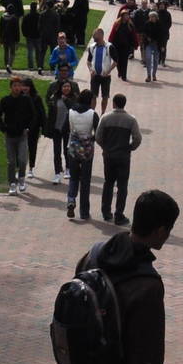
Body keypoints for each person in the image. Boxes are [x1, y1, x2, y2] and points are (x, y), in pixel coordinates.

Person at [77, 189, 179, 364]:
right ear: (159, 231)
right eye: (168, 230)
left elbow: (82, 323)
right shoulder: (148, 286)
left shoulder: (94, 256)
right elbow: (148, 361)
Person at [98, 93, 143, 224]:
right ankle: (119, 215)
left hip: (109, 155)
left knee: (108, 183)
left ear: (113, 103)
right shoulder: (131, 119)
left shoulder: (105, 118)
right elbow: (138, 138)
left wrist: (105, 147)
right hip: (123, 156)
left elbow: (98, 136)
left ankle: (106, 212)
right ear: (124, 103)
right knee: (122, 186)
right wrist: (130, 148)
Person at [0, 75, 40, 195]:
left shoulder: (26, 100)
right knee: (11, 161)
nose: (17, 88)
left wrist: (28, 128)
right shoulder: (5, 100)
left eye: (19, 85)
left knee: (22, 159)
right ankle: (12, 183)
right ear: (11, 87)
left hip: (22, 135)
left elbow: (33, 115)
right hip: (9, 136)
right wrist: (3, 129)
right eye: (15, 86)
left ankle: (21, 179)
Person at [65, 88, 100, 220]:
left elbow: (68, 128)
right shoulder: (92, 114)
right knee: (85, 181)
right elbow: (98, 133)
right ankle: (84, 212)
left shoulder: (71, 112)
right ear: (90, 100)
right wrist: (91, 139)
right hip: (87, 150)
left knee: (74, 178)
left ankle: (71, 199)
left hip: (73, 148)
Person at [85, 29, 114, 110]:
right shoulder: (92, 47)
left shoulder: (109, 47)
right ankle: (92, 112)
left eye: (95, 35)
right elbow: (88, 61)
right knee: (93, 96)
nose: (94, 37)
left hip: (106, 76)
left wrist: (108, 71)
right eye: (93, 35)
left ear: (101, 35)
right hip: (95, 76)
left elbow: (116, 61)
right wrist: (91, 70)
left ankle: (102, 113)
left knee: (105, 96)